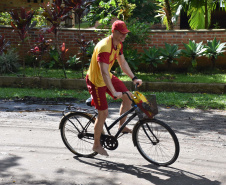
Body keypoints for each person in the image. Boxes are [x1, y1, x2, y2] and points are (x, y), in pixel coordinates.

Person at [86, 20, 142, 156]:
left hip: (106, 78)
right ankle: (96, 145)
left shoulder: (118, 44)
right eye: (122, 33)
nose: (124, 36)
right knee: (103, 114)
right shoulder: (104, 47)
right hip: (96, 82)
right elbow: (103, 72)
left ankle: (121, 127)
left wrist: (134, 78)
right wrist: (113, 91)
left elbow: (122, 63)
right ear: (114, 32)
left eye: (125, 33)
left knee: (128, 97)